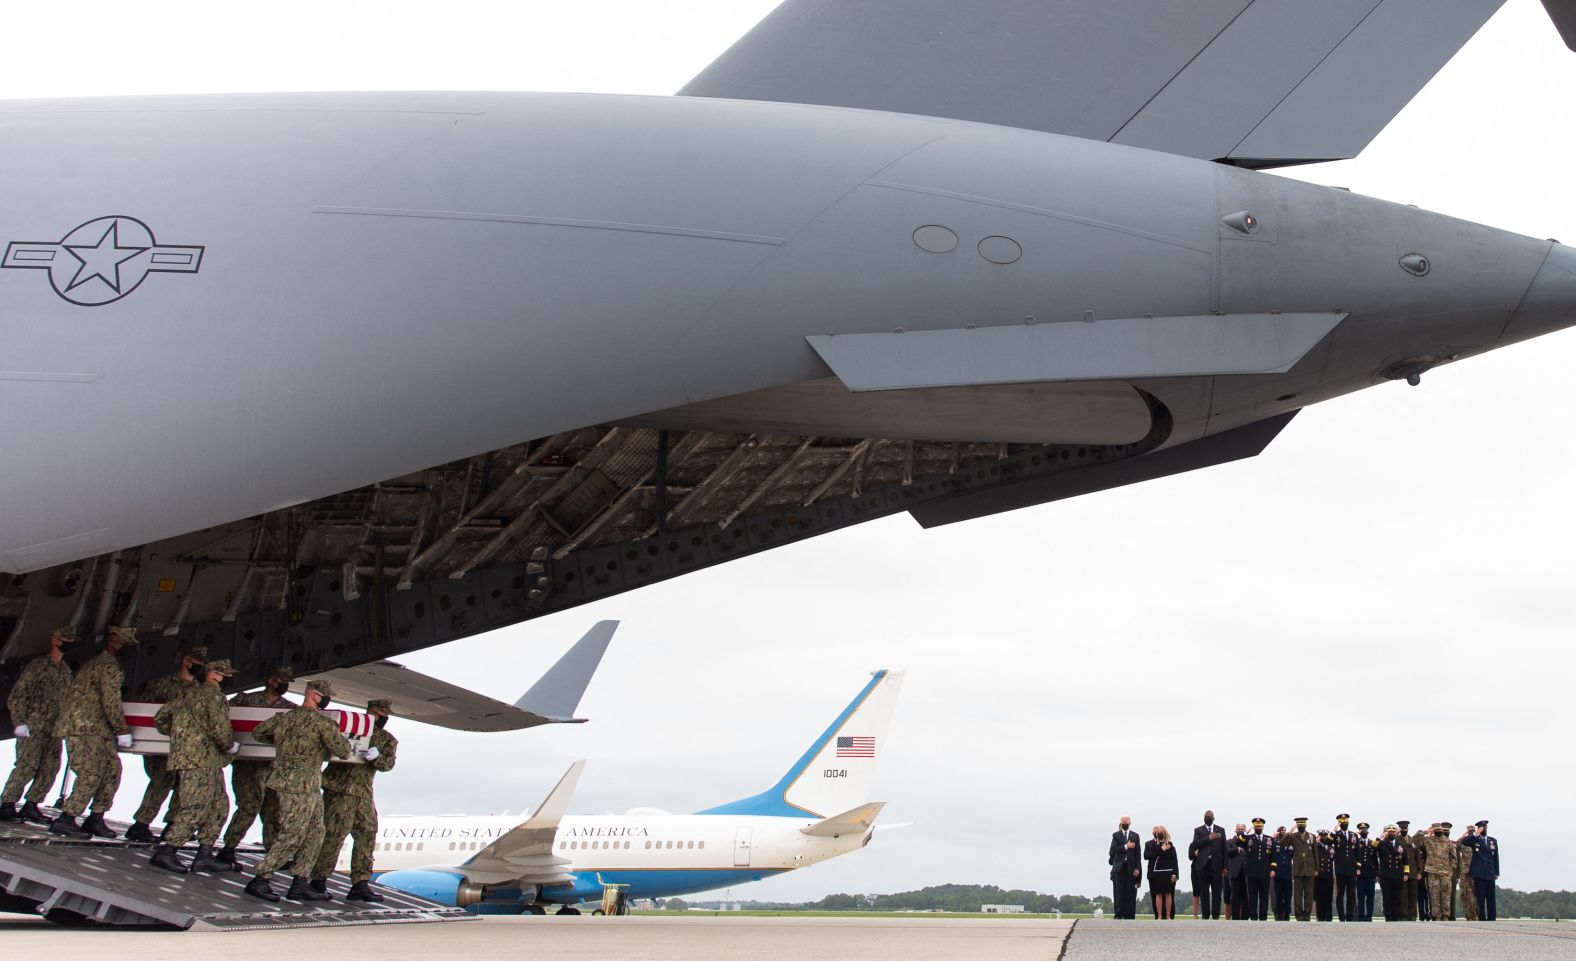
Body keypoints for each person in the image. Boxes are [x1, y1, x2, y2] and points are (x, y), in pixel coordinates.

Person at [243, 681, 350, 902]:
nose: (327, 700)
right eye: (324, 696)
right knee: (293, 834)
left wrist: (282, 744)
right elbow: (343, 750)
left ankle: (300, 881)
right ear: (313, 695)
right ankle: (261, 878)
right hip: (302, 786)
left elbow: (259, 732)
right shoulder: (322, 724)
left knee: (316, 831)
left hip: (292, 783)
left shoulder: (285, 719)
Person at [149, 659, 241, 874]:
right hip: (203, 759)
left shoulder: (185, 694)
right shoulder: (215, 697)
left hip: (195, 758)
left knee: (218, 804)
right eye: (225, 675)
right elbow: (221, 730)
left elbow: (161, 718)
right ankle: (168, 850)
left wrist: (183, 738)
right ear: (213, 675)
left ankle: (205, 854)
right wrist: (230, 746)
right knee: (196, 806)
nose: (228, 679)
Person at [50, 626, 138, 839]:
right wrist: (122, 729)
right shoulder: (108, 667)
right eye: (124, 644)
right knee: (91, 772)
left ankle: (96, 817)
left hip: (98, 729)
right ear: (114, 643)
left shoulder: (105, 664)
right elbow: (110, 701)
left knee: (111, 770)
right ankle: (66, 819)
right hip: (85, 727)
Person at [310, 697, 397, 902]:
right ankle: (318, 880)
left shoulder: (387, 739)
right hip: (339, 789)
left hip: (362, 793)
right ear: (369, 711)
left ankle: (360, 883)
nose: (382, 717)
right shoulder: (351, 728)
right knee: (333, 834)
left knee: (367, 833)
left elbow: (387, 765)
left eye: (385, 715)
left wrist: (377, 758)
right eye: (378, 713)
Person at [125, 644, 206, 844]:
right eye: (194, 662)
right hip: (160, 746)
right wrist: (147, 744)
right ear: (185, 660)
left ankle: (172, 825)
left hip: (185, 748)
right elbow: (143, 711)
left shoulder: (199, 691)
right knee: (161, 783)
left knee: (183, 786)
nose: (197, 666)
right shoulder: (162, 684)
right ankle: (141, 824)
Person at [217, 666, 296, 863]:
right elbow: (223, 717)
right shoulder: (245, 700)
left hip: (272, 767)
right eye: (281, 681)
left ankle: (274, 853)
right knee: (248, 806)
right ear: (271, 680)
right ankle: (229, 847)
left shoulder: (290, 708)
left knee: (273, 809)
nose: (284, 686)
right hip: (247, 764)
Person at [1, 626, 76, 824]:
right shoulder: (38, 666)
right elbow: (18, 695)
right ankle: (7, 803)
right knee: (27, 765)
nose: (68, 644)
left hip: (54, 729)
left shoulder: (66, 671)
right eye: (64, 640)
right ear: (55, 640)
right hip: (33, 725)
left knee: (50, 768)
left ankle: (32, 804)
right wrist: (19, 722)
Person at [1188, 811, 1228, 920]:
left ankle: (1216, 916)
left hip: (1217, 866)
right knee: (1204, 893)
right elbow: (1195, 844)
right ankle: (1205, 915)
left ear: (1213, 818)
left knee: (1217, 893)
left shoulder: (1221, 830)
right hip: (1203, 866)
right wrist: (1209, 838)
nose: (1208, 818)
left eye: (1209, 817)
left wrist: (1225, 867)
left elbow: (1224, 850)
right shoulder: (1198, 830)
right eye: (1206, 817)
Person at [1280, 817, 1319, 921]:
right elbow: (1282, 843)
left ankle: (1307, 914)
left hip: (1310, 869)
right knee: (1297, 894)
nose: (1301, 827)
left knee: (1309, 894)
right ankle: (1299, 915)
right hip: (1298, 869)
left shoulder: (1312, 836)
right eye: (1299, 826)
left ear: (1305, 826)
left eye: (1302, 826)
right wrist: (1289, 832)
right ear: (1297, 826)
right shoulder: (1293, 836)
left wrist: (1317, 869)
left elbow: (1315, 854)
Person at [1238, 818, 1274, 921]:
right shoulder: (1248, 838)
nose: (1258, 828)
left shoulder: (1269, 839)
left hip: (1265, 872)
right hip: (1252, 872)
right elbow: (1238, 843)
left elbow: (1273, 856)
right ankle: (1253, 916)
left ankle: (1263, 916)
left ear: (1262, 827)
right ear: (1254, 827)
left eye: (1260, 826)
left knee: (1264, 896)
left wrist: (1273, 869)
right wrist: (1244, 834)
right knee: (1252, 896)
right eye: (1256, 827)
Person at [1419, 822, 1456, 922]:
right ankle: (1437, 916)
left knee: (1446, 895)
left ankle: (1445, 915)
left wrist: (1450, 869)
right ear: (1433, 831)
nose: (1439, 831)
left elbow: (1453, 857)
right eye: (1436, 830)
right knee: (1434, 895)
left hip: (1445, 873)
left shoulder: (1448, 841)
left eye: (1440, 829)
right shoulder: (1428, 840)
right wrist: (1426, 831)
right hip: (1432, 872)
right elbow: (1415, 840)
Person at [1464, 819, 1500, 921]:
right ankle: (1482, 918)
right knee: (1480, 898)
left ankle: (1492, 918)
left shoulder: (1492, 841)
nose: (1484, 829)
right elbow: (1464, 842)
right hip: (1479, 874)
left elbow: (1496, 857)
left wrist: (1496, 872)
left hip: (1490, 873)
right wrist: (1475, 833)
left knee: (1491, 898)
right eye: (1482, 828)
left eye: (1485, 828)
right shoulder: (1474, 839)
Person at [1108, 816, 1142, 920]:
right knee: (1119, 892)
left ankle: (1129, 915)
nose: (1124, 823)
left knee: (1130, 892)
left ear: (1130, 822)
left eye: (1126, 821)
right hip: (1120, 868)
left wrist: (1137, 868)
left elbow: (1138, 854)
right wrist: (1126, 846)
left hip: (1131, 868)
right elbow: (1113, 850)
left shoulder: (1135, 836)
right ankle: (1119, 914)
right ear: (1120, 823)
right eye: (1123, 821)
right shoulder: (1116, 835)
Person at [1144, 826, 1179, 919]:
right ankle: (1159, 916)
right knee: (1158, 894)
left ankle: (1168, 916)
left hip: (1169, 872)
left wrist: (1176, 874)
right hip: (1156, 873)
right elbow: (1149, 856)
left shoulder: (1170, 844)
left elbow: (1174, 860)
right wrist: (1162, 848)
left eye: (1161, 832)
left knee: (1168, 894)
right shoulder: (1152, 844)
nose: (1159, 834)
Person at [1330, 813, 1358, 921]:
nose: (1344, 824)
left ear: (1348, 823)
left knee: (1351, 894)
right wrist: (1333, 831)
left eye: (1346, 822)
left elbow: (1357, 852)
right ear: (1339, 824)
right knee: (1340, 894)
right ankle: (1341, 916)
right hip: (1340, 869)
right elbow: (1328, 841)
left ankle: (1350, 916)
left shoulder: (1353, 835)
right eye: (1342, 823)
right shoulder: (1336, 835)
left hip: (1351, 869)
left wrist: (1358, 866)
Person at [1376, 825, 1406, 922]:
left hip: (1398, 874)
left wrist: (1406, 873)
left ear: (1395, 833)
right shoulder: (1382, 844)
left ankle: (1397, 916)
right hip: (1386, 875)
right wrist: (1379, 837)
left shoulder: (1400, 844)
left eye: (1393, 832)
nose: (1391, 834)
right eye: (1389, 832)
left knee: (1397, 896)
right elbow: (1372, 847)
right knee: (1387, 897)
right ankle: (1388, 916)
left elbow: (1406, 860)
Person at [1353, 821, 1378, 921]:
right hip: (1360, 874)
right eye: (1361, 829)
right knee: (1361, 896)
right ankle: (1361, 915)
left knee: (1371, 897)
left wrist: (1377, 873)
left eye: (1365, 830)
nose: (1364, 831)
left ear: (1368, 831)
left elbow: (1375, 859)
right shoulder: (1357, 843)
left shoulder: (1372, 843)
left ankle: (1369, 916)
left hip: (1371, 874)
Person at [1396, 819, 1420, 920]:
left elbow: (1417, 858)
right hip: (1401, 872)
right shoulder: (1396, 841)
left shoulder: (1413, 841)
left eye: (1405, 828)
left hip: (1413, 873)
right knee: (1403, 895)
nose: (1404, 830)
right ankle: (1403, 915)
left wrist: (1420, 872)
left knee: (1413, 895)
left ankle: (1413, 915)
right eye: (1402, 828)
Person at [1457, 825, 1480, 921]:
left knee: (1475, 894)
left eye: (1472, 832)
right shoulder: (1464, 842)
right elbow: (1456, 844)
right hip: (1464, 872)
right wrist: (1464, 834)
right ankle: (1468, 915)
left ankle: (1476, 915)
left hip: (1475, 871)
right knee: (1463, 894)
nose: (1470, 833)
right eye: (1469, 832)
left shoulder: (1478, 842)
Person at [1272, 826, 1293, 921]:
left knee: (1288, 896)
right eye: (1281, 832)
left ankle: (1287, 914)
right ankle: (1279, 914)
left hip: (1288, 873)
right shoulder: (1275, 843)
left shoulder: (1290, 845)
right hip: (1278, 873)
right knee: (1279, 895)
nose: (1283, 833)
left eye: (1284, 832)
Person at [1226, 823, 1248, 920]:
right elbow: (1227, 852)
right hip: (1234, 872)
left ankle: (1245, 917)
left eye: (1242, 829)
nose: (1240, 830)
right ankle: (1235, 917)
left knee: (1246, 895)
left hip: (1246, 872)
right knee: (1235, 896)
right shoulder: (1230, 841)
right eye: (1238, 829)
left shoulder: (1248, 841)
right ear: (1235, 830)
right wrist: (1237, 849)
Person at [1314, 829, 1335, 921]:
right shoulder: (1317, 846)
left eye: (1325, 836)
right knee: (1320, 897)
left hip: (1329, 875)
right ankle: (1321, 916)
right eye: (1322, 836)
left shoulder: (1331, 847)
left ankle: (1328, 915)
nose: (1323, 837)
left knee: (1329, 897)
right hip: (1320, 875)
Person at [1413, 824, 1433, 920]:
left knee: (1428, 896)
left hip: (1428, 873)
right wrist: (1424, 832)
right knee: (1420, 896)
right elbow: (1414, 838)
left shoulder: (1427, 847)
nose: (1421, 840)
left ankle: (1429, 914)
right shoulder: (1415, 847)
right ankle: (1421, 914)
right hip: (1420, 875)